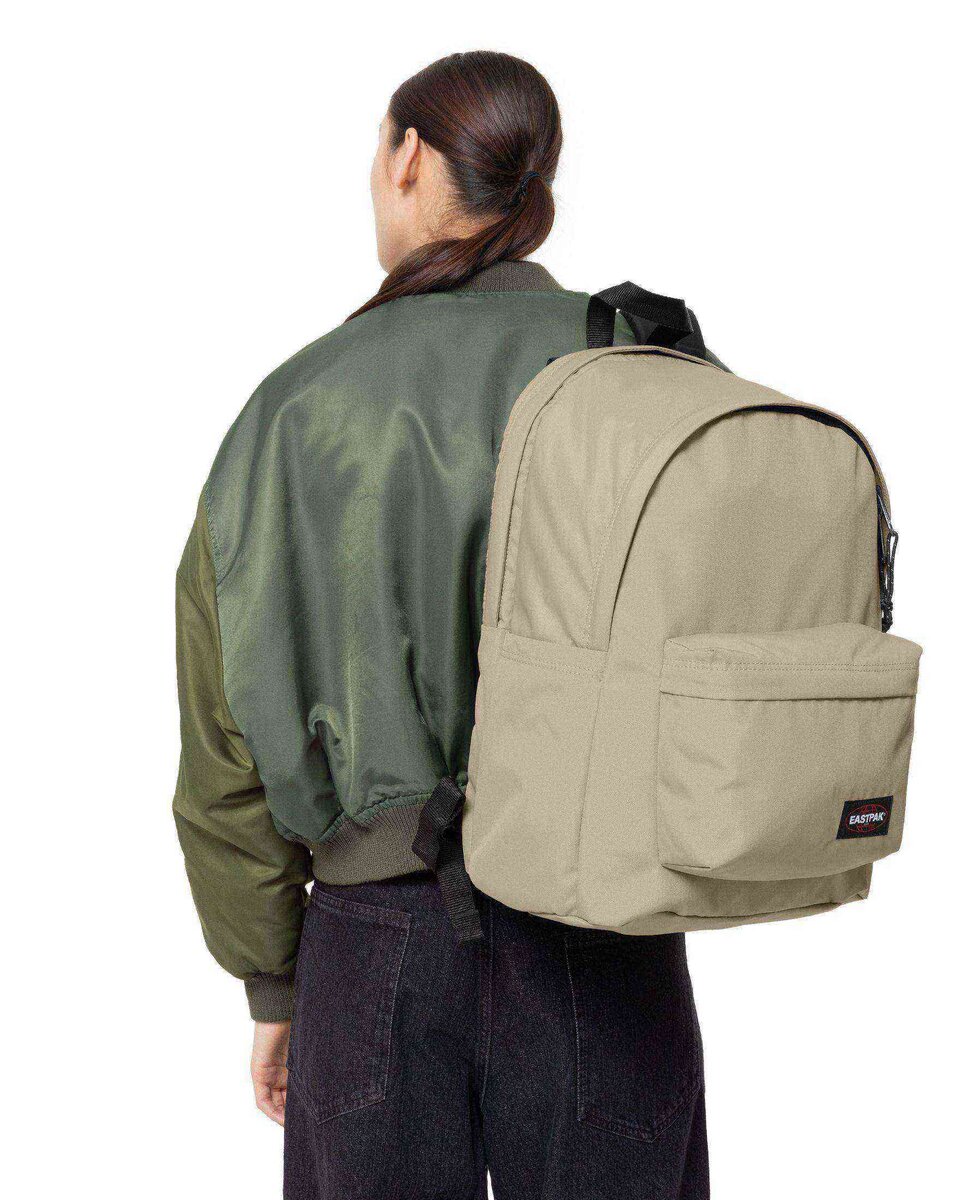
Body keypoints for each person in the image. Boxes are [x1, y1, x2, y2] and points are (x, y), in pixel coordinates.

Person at [173, 50, 708, 1199]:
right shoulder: (645, 365)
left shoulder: (293, 410)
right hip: (605, 934)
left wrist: (273, 982)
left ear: (408, 156)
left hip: (375, 949)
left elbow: (225, 747)